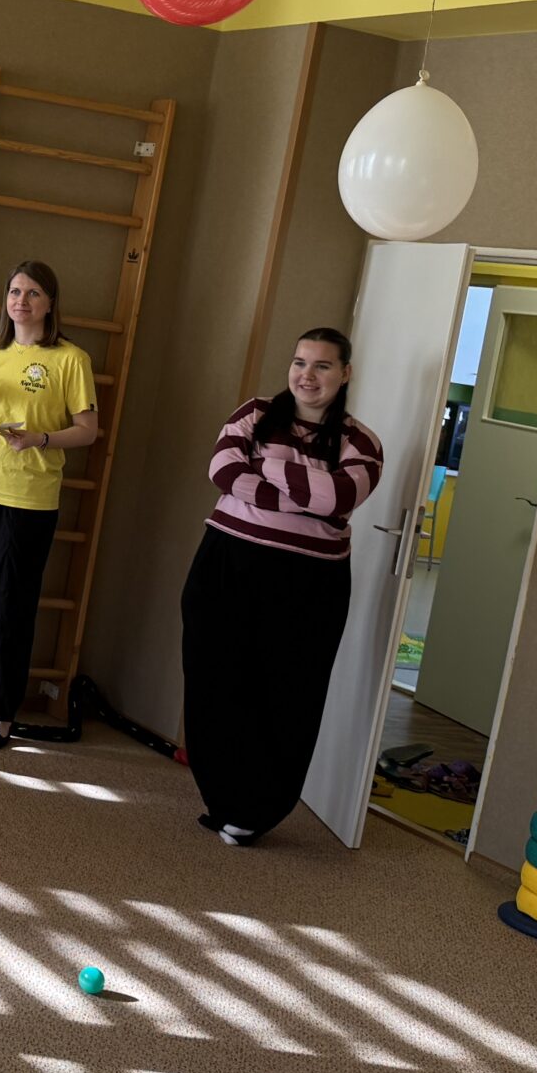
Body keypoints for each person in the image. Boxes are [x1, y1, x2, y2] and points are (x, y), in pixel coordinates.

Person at [184, 329, 383, 845]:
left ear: (345, 373)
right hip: (228, 562)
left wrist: (268, 466)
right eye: (299, 362)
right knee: (214, 678)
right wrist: (303, 493)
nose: (307, 375)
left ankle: (254, 810)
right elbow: (222, 470)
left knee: (287, 692)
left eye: (322, 365)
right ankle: (222, 798)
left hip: (309, 582)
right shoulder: (253, 413)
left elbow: (339, 498)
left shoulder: (361, 442)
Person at [0, 260, 101, 749]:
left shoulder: (71, 359)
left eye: (33, 293)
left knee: (12, 604)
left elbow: (88, 430)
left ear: (50, 303)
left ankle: (2, 713)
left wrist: (40, 438)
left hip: (28, 500)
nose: (21, 301)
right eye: (14, 292)